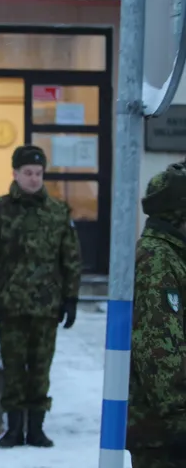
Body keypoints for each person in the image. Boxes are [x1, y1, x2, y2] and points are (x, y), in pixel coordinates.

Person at [0, 145, 80, 449]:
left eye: (38, 173)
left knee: (40, 369)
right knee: (13, 369)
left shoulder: (58, 213)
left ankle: (36, 428)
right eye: (28, 173)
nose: (34, 179)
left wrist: (70, 299)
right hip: (11, 304)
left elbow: (70, 258)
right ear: (15, 173)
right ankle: (13, 429)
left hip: (47, 305)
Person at [127, 163, 186, 468]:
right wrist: (179, 419)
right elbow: (159, 349)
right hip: (163, 435)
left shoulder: (175, 254)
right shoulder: (157, 260)